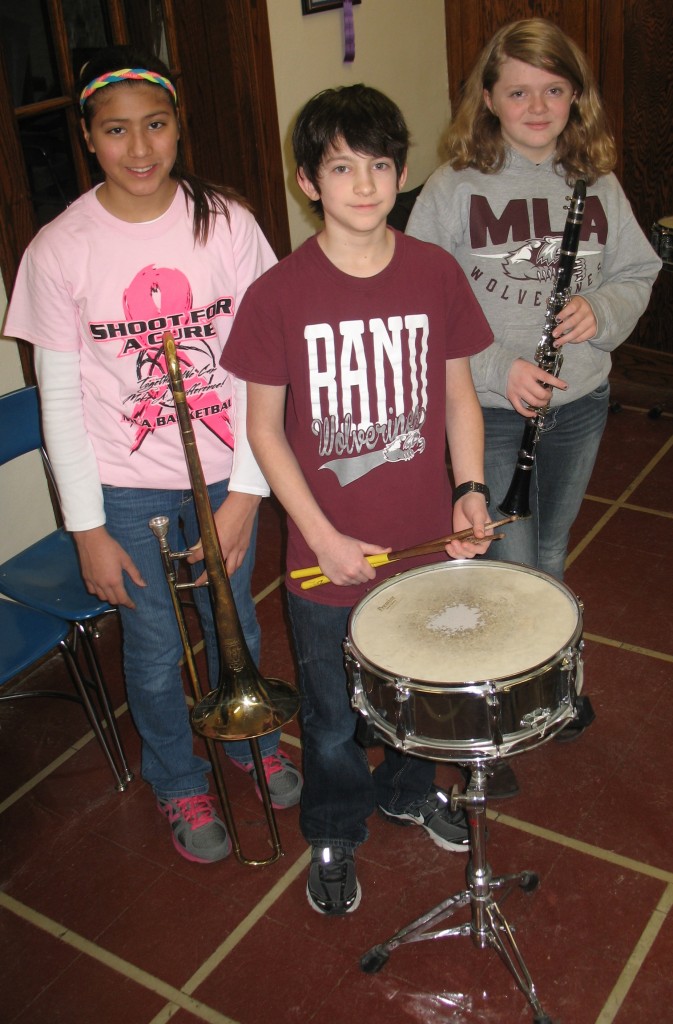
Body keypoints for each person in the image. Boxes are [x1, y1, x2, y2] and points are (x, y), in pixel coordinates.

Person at [4, 46, 302, 864]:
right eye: (116, 131)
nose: (139, 149)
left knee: (233, 617)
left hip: (224, 476)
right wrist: (87, 528)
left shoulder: (227, 224)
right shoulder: (60, 250)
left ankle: (247, 739)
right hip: (124, 491)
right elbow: (59, 400)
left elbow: (262, 366)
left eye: (156, 125)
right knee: (154, 647)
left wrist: (247, 492)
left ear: (178, 128)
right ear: (88, 138)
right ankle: (177, 778)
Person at [221, 84, 495, 914]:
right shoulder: (278, 294)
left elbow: (457, 398)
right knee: (333, 713)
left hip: (423, 547)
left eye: (379, 165)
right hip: (325, 558)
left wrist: (470, 489)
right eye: (342, 167)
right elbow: (265, 432)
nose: (365, 185)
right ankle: (336, 824)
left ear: (402, 170)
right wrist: (322, 536)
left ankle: (409, 788)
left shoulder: (433, 271)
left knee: (417, 692)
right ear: (309, 181)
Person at [406, 18, 661, 793]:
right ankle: (506, 707)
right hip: (483, 407)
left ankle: (545, 681)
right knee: (506, 567)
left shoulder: (597, 182)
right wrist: (492, 364)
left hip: (577, 401)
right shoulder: (453, 188)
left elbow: (637, 269)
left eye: (553, 89)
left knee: (548, 554)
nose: (537, 105)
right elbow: (420, 301)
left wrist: (603, 312)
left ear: (575, 97)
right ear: (488, 98)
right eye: (517, 90)